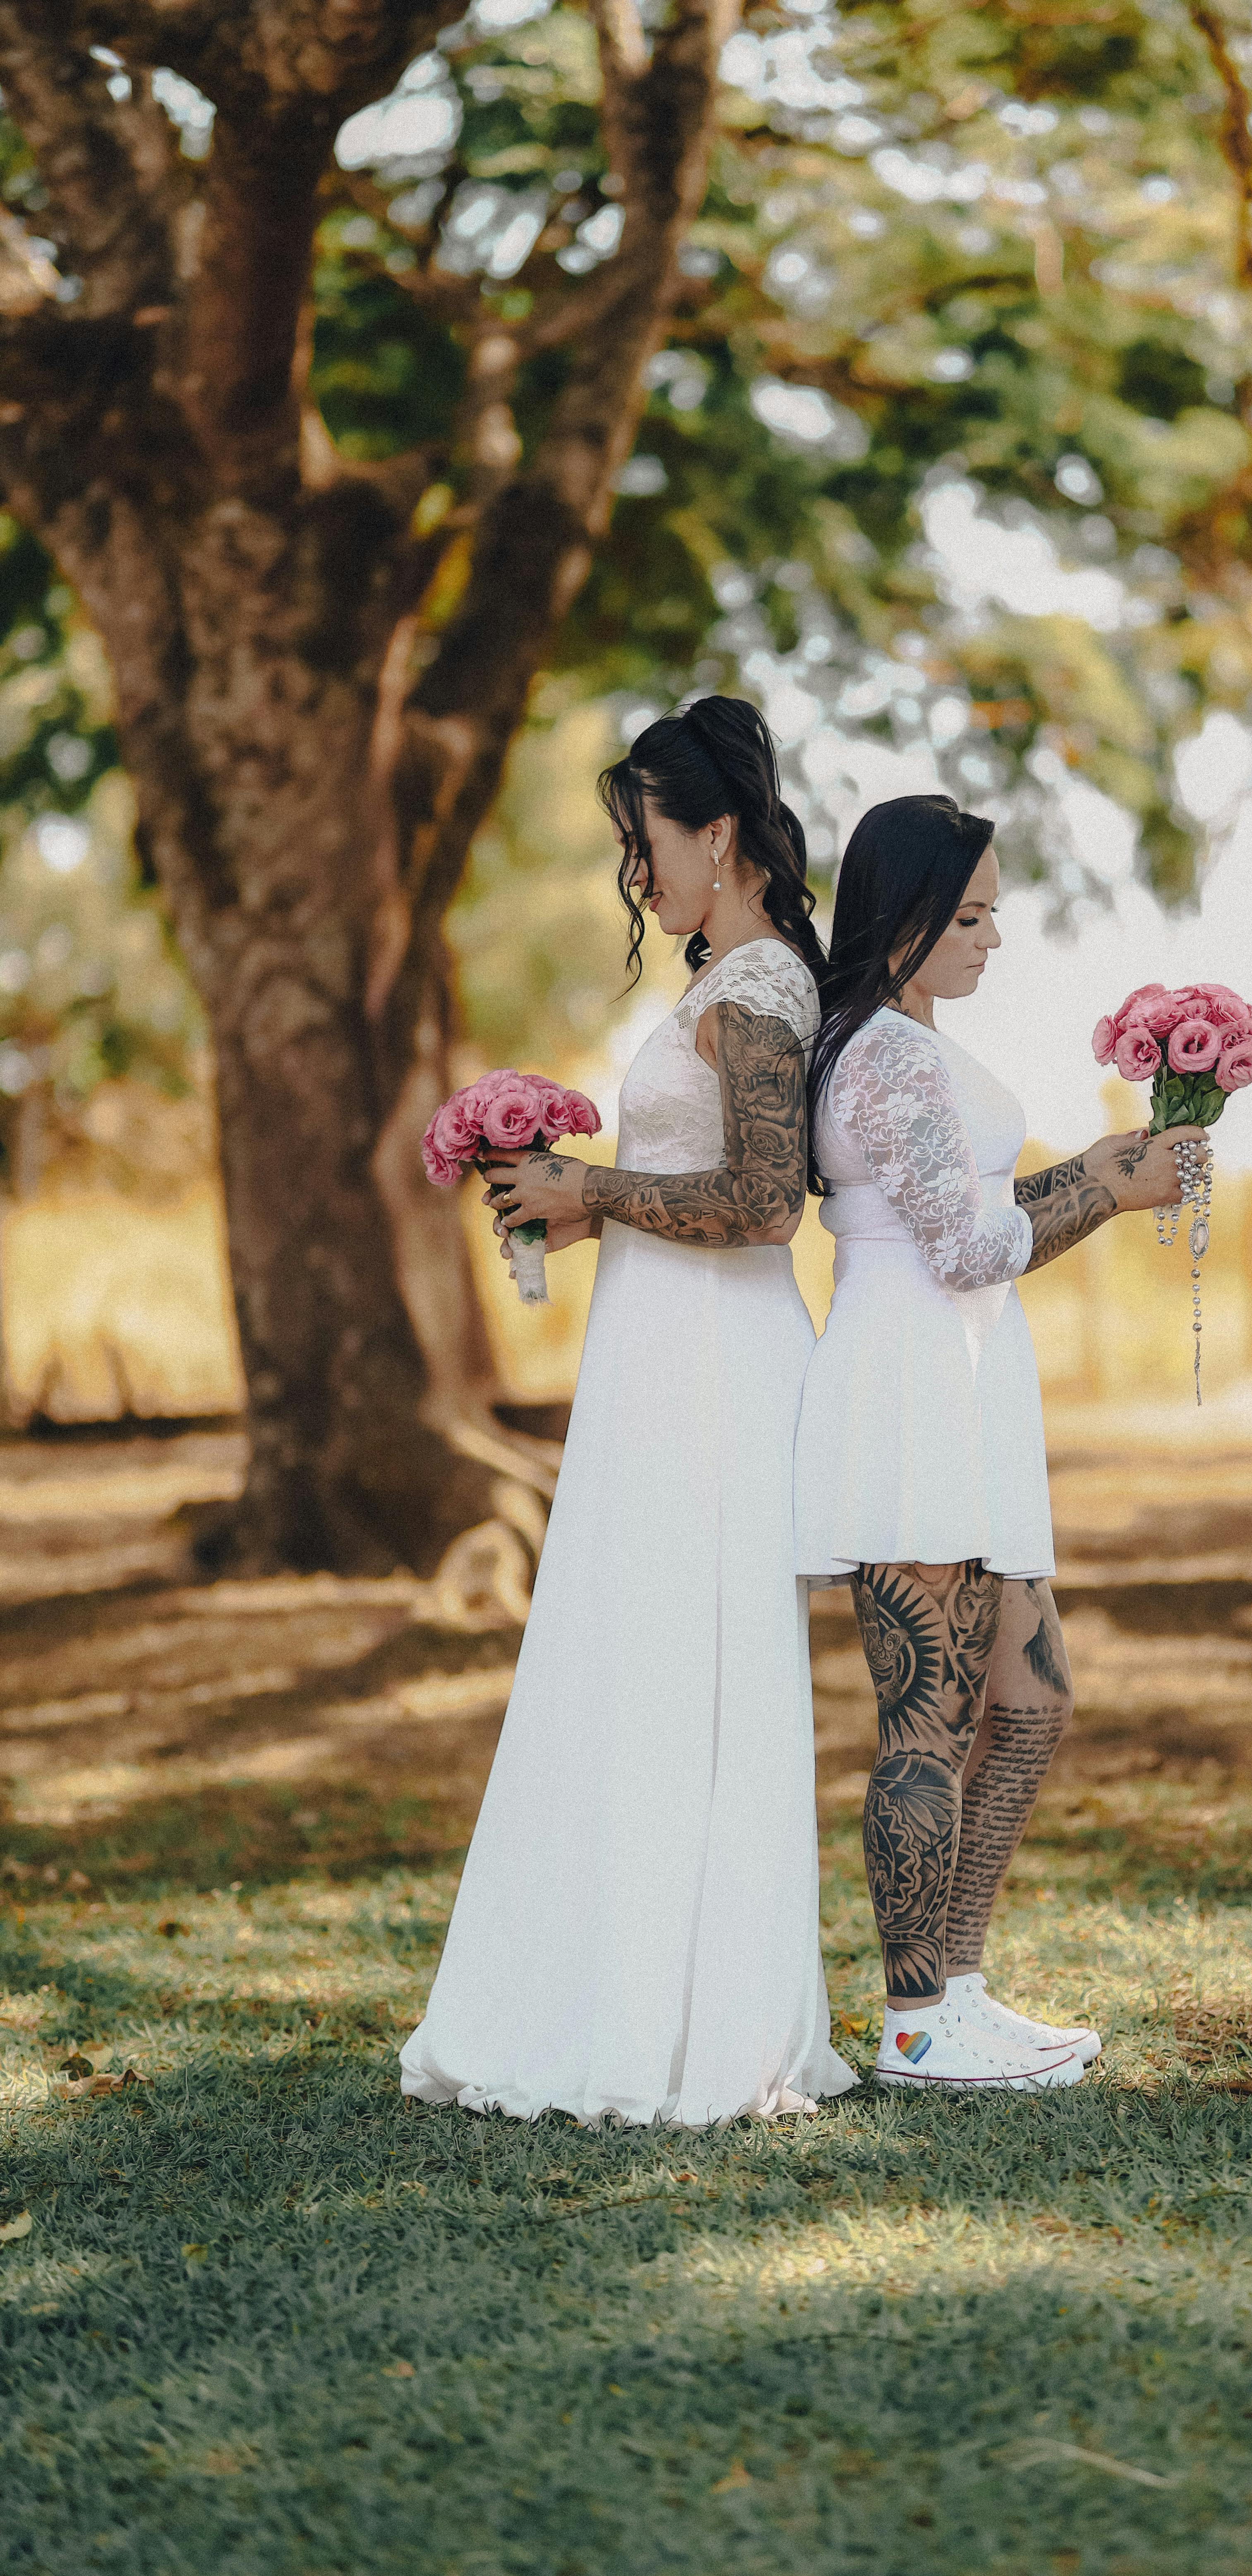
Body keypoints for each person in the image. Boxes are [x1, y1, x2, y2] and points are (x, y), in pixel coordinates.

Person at [401, 698, 855, 2125]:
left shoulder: (766, 990)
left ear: (717, 835)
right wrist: (582, 1215)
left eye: (645, 845)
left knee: (694, 1682)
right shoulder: (725, 984)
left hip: (717, 1381)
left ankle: (696, 2030)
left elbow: (770, 1207)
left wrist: (595, 1191)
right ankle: (605, 1993)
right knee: (636, 1677)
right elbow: (705, 1193)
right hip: (662, 1362)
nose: (636, 876)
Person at [794, 794, 1208, 2092]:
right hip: (910, 1385)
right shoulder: (878, 1055)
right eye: (968, 916)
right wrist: (1106, 1188)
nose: (991, 937)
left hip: (968, 1382)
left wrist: (1095, 1164)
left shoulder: (915, 1044)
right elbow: (965, 1249)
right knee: (930, 1717)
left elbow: (974, 1209)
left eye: (991, 914)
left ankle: (960, 1987)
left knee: (1030, 1702)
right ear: (904, 915)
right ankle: (915, 2025)